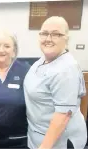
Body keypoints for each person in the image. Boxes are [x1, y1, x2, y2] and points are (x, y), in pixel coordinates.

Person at [23, 16, 87, 149]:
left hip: (57, 143)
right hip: (38, 136)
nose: (48, 39)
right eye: (44, 33)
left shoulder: (66, 69)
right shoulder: (43, 60)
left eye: (56, 34)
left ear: (66, 39)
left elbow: (62, 117)